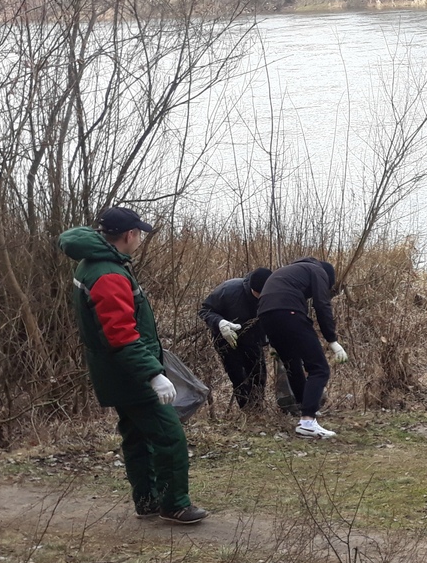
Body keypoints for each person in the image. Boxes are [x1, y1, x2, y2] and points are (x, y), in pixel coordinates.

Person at [58, 207, 208, 524]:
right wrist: (153, 374)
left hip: (115, 371)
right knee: (169, 437)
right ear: (130, 235)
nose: (139, 239)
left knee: (137, 437)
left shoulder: (95, 264)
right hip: (131, 373)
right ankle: (174, 504)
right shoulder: (109, 275)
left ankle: (147, 501)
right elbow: (121, 335)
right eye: (139, 233)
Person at [257, 257, 347, 439]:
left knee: (292, 365)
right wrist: (332, 340)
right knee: (319, 368)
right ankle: (307, 422)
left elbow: (273, 301)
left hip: (265, 316)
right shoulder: (319, 271)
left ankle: (304, 410)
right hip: (289, 312)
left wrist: (273, 342)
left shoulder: (291, 272)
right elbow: (322, 304)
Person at [198, 268, 273, 409]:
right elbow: (205, 310)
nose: (261, 298)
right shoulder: (228, 290)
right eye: (258, 294)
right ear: (252, 288)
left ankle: (257, 409)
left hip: (253, 339)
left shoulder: (274, 293)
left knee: (259, 375)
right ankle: (247, 411)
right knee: (239, 378)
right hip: (226, 340)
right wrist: (220, 323)